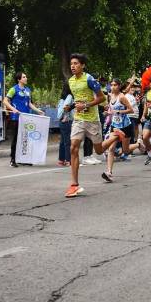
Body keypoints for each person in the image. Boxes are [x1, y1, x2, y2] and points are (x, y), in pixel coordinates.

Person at [66, 53, 106, 197]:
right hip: (78, 119)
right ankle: (74, 184)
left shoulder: (89, 79)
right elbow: (78, 100)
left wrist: (86, 105)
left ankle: (114, 137)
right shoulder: (71, 81)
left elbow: (102, 97)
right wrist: (70, 107)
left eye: (76, 63)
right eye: (72, 64)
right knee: (73, 148)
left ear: (82, 65)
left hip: (92, 120)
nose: (73, 66)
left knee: (99, 151)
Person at [3, 72, 45, 167]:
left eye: (26, 76)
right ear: (19, 79)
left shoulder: (28, 90)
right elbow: (5, 101)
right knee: (16, 138)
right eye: (24, 77)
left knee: (25, 138)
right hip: (17, 118)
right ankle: (12, 159)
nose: (26, 78)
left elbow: (29, 104)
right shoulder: (13, 89)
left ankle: (23, 159)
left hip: (27, 118)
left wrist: (39, 111)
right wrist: (13, 109)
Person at [99, 78, 134, 182]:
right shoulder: (110, 95)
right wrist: (108, 110)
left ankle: (138, 144)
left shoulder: (122, 97)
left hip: (125, 126)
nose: (113, 87)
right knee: (111, 148)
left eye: (115, 85)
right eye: (112, 85)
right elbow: (111, 108)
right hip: (115, 126)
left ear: (119, 86)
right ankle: (109, 172)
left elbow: (131, 110)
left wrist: (118, 111)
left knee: (125, 150)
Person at [57, 83, 74, 167]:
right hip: (66, 121)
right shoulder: (70, 96)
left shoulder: (62, 98)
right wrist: (66, 117)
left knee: (63, 142)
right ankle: (68, 160)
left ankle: (61, 160)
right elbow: (66, 107)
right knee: (68, 142)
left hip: (61, 122)